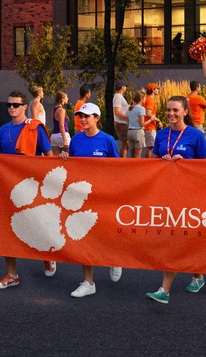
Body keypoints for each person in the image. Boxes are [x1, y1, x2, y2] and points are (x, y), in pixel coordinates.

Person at [145, 96, 206, 304]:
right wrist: (162, 161)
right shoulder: (161, 134)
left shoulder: (196, 135)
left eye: (176, 110)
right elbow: (153, 161)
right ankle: (198, 275)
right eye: (168, 110)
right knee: (177, 236)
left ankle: (164, 290)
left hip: (190, 193)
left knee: (180, 237)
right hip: (167, 193)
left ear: (185, 112)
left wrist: (187, 162)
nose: (171, 114)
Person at [0, 89, 54, 290]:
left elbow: (48, 157)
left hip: (32, 187)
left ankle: (48, 254)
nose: (11, 108)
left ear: (25, 107)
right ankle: (12, 275)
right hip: (9, 187)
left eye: (15, 105)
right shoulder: (3, 130)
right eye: (9, 104)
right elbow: (0, 158)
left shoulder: (35, 128)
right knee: (7, 231)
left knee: (37, 227)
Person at [65, 102, 122, 297]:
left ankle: (114, 258)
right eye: (80, 116)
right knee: (85, 238)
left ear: (97, 118)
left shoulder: (107, 140)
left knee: (106, 233)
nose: (82, 119)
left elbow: (117, 170)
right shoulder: (75, 140)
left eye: (86, 116)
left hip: (104, 196)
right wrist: (65, 157)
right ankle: (89, 282)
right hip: (82, 198)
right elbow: (71, 168)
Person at [125, 94, 148, 159]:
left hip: (130, 132)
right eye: (144, 98)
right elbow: (142, 124)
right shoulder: (141, 108)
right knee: (137, 156)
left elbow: (128, 122)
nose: (145, 99)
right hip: (138, 132)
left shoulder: (129, 108)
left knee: (132, 156)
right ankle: (138, 169)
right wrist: (152, 119)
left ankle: (132, 168)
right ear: (141, 99)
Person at [112, 84, 130, 157]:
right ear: (122, 87)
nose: (126, 88)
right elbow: (117, 112)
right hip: (121, 123)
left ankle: (123, 159)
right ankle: (122, 161)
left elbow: (122, 109)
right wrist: (127, 117)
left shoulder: (119, 97)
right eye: (125, 86)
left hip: (123, 123)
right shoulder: (118, 97)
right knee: (125, 144)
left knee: (126, 144)